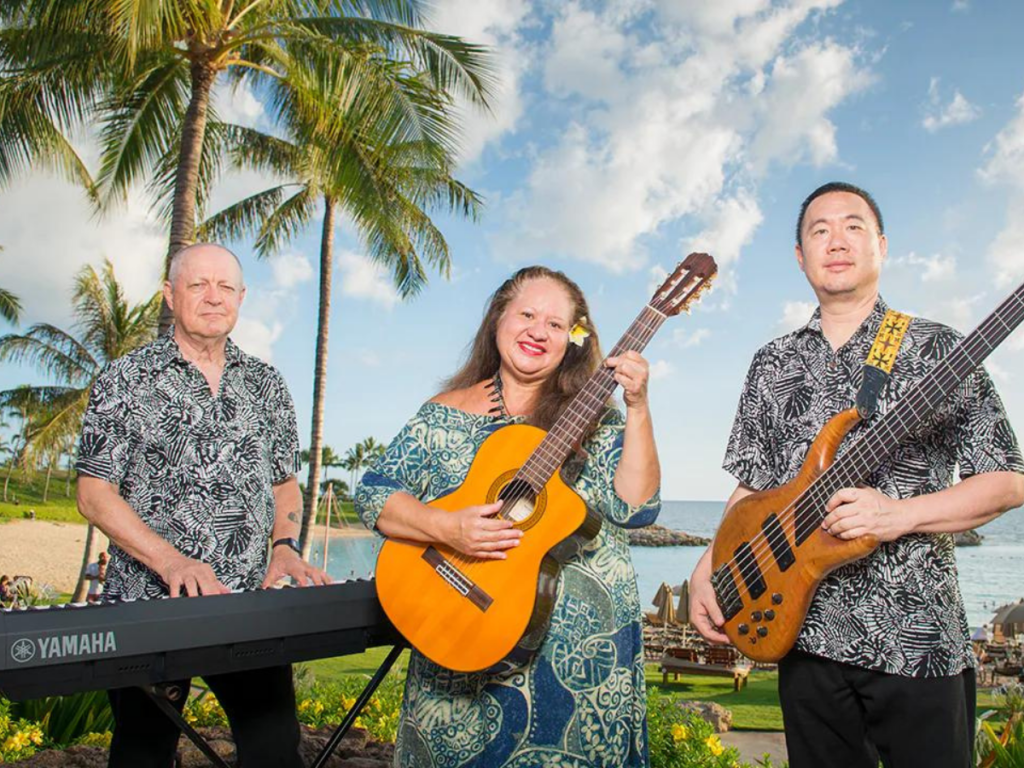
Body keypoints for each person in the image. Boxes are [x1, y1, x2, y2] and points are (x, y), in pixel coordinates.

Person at [689, 181, 1024, 768]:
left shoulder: (939, 347)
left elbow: (1007, 479)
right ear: (800, 256)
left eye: (853, 226)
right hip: (805, 637)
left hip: (917, 639)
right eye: (819, 230)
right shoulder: (773, 362)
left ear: (881, 245)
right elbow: (751, 486)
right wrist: (706, 568)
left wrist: (899, 515)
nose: (836, 241)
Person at [356, 266, 661, 767]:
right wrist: (447, 527)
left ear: (573, 340)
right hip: (461, 631)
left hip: (574, 661)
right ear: (498, 318)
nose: (539, 331)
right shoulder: (445, 413)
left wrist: (638, 406)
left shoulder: (596, 417)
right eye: (527, 314)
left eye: (557, 324)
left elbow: (636, 507)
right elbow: (375, 494)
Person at [76, 243, 330, 768]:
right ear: (170, 295)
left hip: (246, 605)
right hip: (146, 604)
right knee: (142, 755)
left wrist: (283, 547)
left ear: (241, 297)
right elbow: (93, 493)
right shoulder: (125, 379)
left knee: (275, 750)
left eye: (225, 287)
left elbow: (285, 483)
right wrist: (172, 562)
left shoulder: (267, 384)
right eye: (197, 285)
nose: (213, 297)